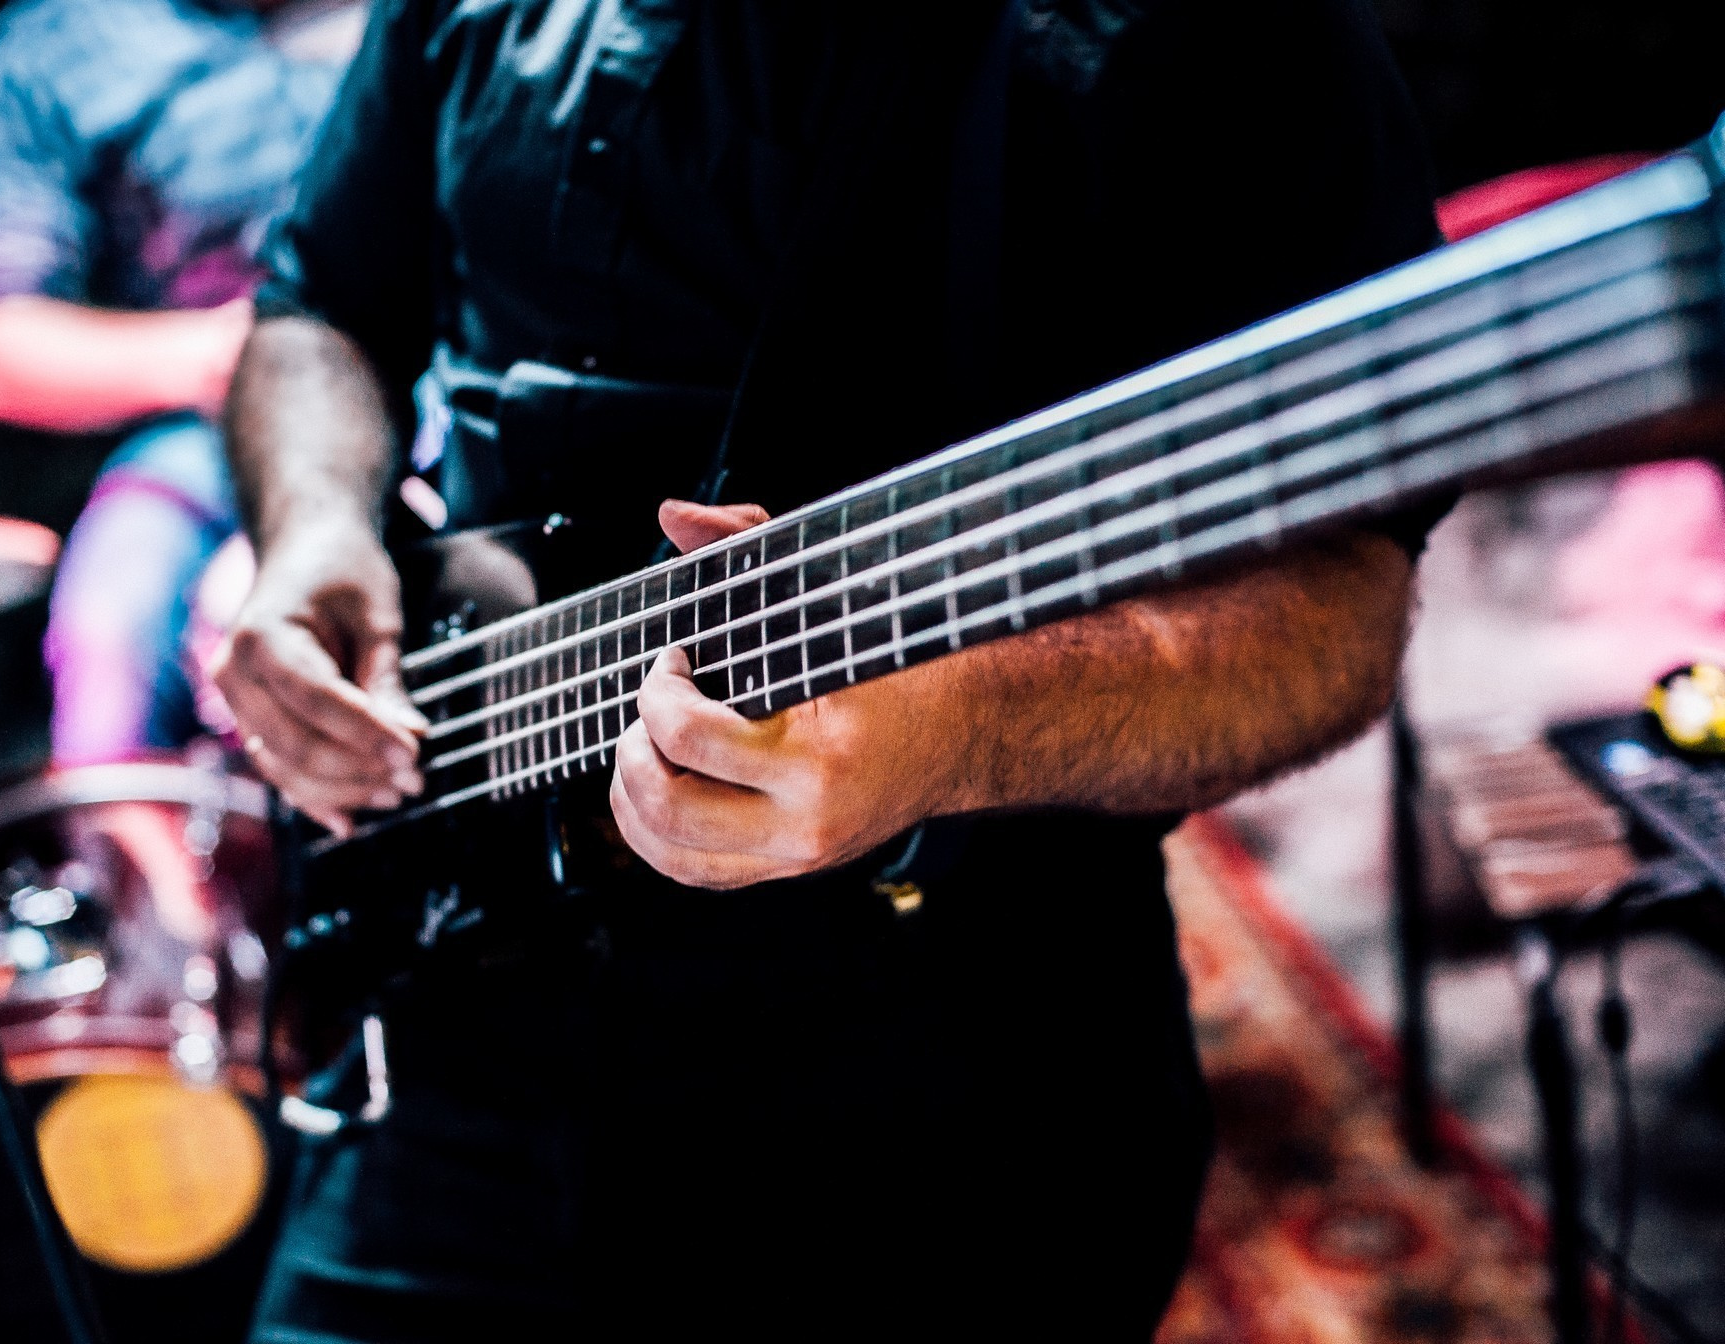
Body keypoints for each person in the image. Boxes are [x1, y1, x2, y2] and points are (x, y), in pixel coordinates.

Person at [215, 0, 1443, 1336]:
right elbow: (319, 304)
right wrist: (317, 525)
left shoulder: (1211, 39)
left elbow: (1334, 598)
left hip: (941, 1099)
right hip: (455, 1030)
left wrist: (956, 730)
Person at [0, 0, 364, 764]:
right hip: (210, 435)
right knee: (110, 625)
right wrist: (225, 355)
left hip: (441, 393)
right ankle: (160, 883)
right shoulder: (58, 46)